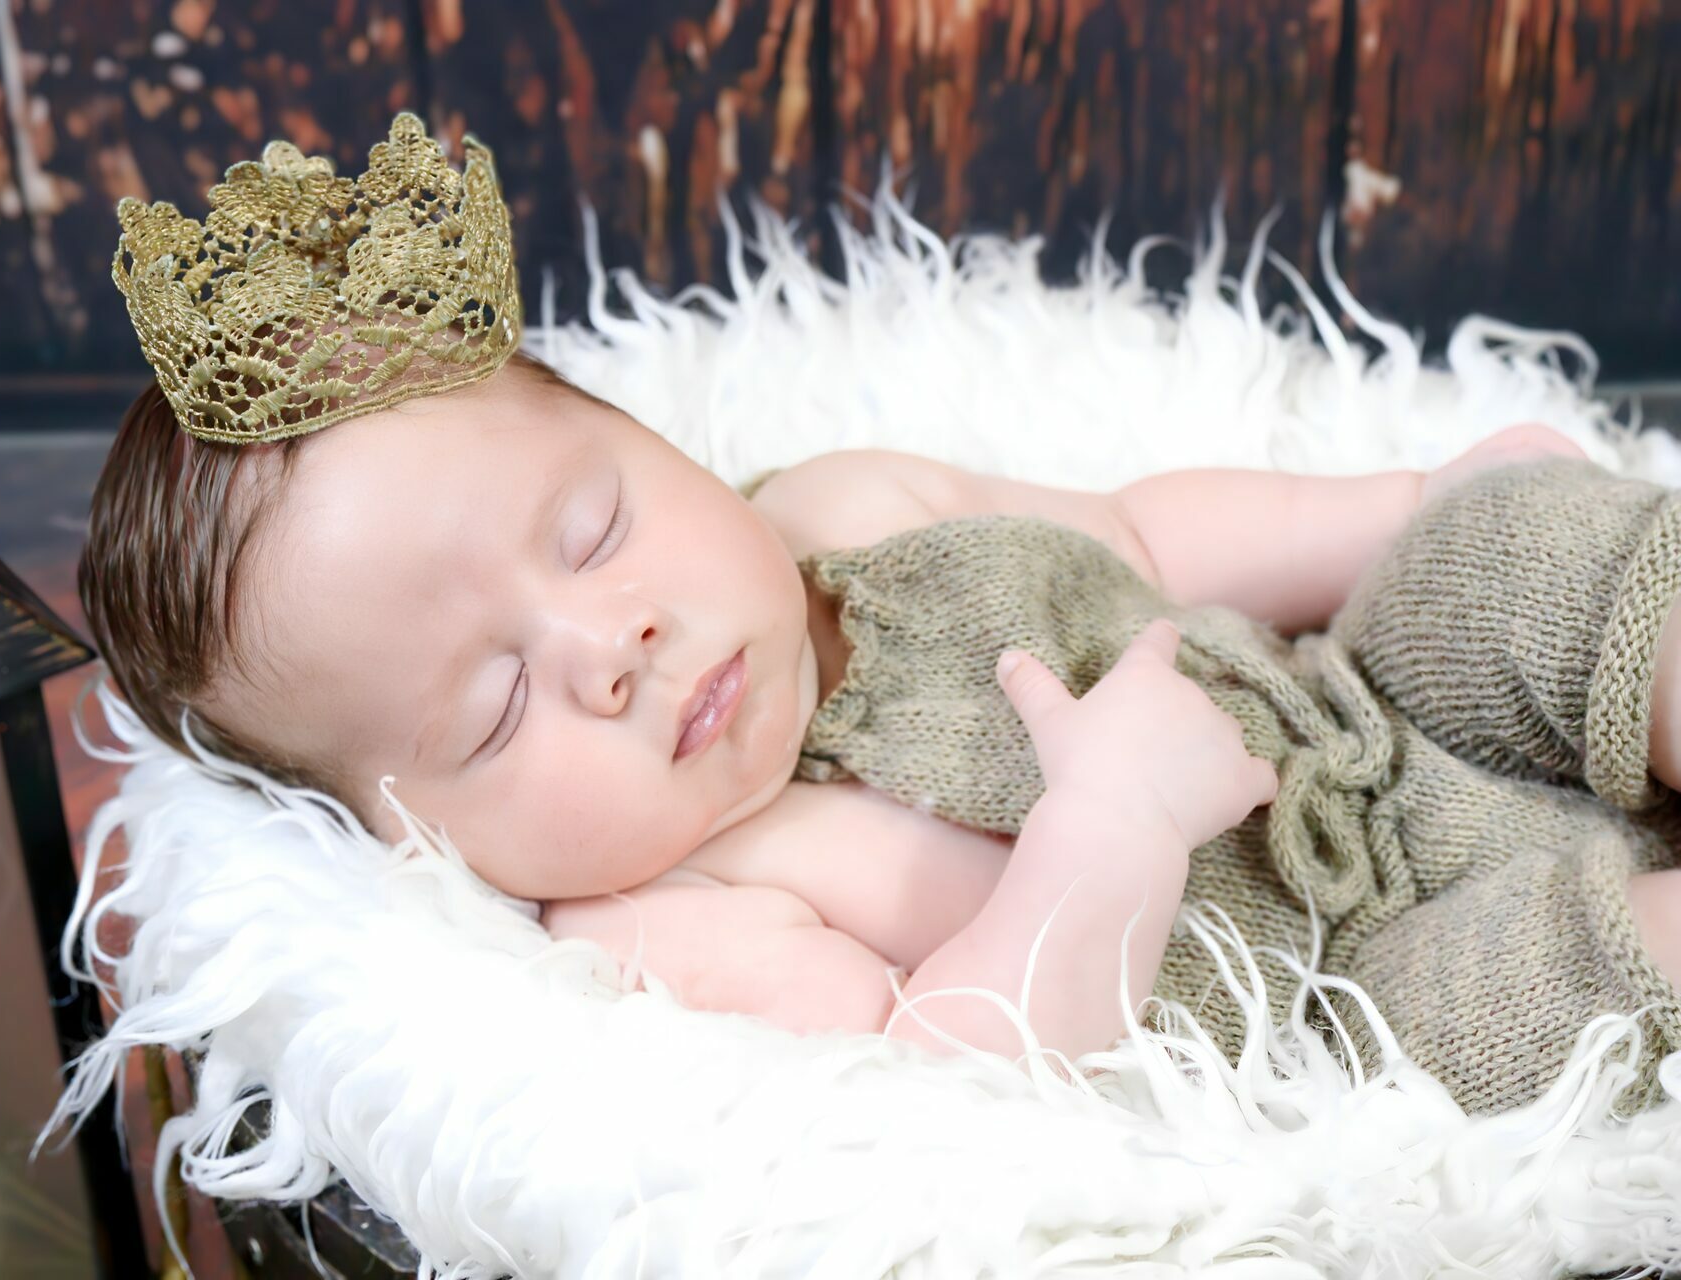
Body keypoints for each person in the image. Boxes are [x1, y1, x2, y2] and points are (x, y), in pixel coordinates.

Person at [81, 111, 1681, 1115]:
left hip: (1358, 699)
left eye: (595, 527)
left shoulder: (844, 508)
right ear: (408, 839)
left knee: (1522, 561)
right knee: (1542, 1014)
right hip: (1351, 987)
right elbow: (950, 1067)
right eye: (492, 713)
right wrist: (1108, 836)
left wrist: (1410, 504)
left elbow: (1140, 530)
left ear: (662, 445)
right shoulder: (670, 917)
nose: (608, 647)